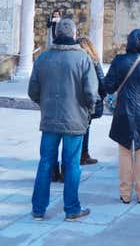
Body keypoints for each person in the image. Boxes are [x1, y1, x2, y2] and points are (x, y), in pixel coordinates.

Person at [28, 18, 97, 220]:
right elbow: (91, 93)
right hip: (75, 119)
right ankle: (72, 208)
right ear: (74, 35)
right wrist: (87, 111)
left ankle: (38, 208)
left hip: (50, 119)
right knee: (72, 164)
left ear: (56, 34)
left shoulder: (43, 58)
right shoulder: (83, 59)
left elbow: (33, 91)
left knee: (46, 163)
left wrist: (46, 105)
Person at [104, 29, 140, 204]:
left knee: (124, 151)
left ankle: (125, 193)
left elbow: (108, 85)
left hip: (123, 109)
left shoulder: (118, 61)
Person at [76, 37, 107, 166]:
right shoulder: (93, 61)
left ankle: (81, 154)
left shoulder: (75, 60)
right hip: (88, 99)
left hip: (76, 99)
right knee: (86, 127)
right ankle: (83, 154)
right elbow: (101, 80)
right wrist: (102, 96)